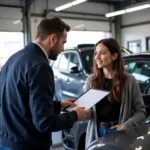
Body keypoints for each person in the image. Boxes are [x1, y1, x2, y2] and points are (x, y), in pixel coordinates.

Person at [0, 16, 89, 150]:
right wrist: (75, 116)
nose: (63, 49)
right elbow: (44, 122)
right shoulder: (40, 66)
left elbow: (18, 101)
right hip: (28, 145)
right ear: (53, 38)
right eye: (63, 42)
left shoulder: (14, 58)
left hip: (7, 140)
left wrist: (57, 106)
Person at [85, 38, 146, 148]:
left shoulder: (129, 81)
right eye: (96, 53)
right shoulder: (91, 81)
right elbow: (89, 113)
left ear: (114, 56)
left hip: (120, 132)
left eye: (102, 53)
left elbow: (141, 111)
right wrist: (81, 112)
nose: (97, 57)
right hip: (96, 132)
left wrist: (125, 125)